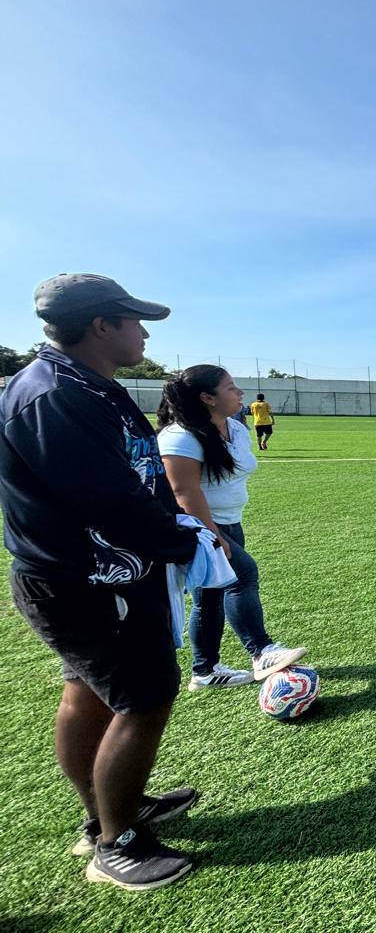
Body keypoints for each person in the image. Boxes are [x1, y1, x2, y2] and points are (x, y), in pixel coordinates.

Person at [0, 273, 202, 890]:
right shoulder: (54, 395)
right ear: (100, 325)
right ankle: (118, 844)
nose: (144, 333)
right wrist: (184, 540)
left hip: (97, 576)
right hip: (85, 581)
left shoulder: (88, 384)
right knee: (145, 698)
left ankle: (110, 812)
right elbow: (108, 501)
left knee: (87, 692)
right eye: (134, 321)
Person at [157, 366, 307, 689]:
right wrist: (213, 537)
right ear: (207, 398)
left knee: (210, 596)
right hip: (196, 525)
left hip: (230, 521)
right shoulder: (180, 436)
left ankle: (205, 672)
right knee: (243, 575)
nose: (240, 393)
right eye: (230, 387)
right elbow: (184, 493)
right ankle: (261, 651)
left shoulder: (235, 428)